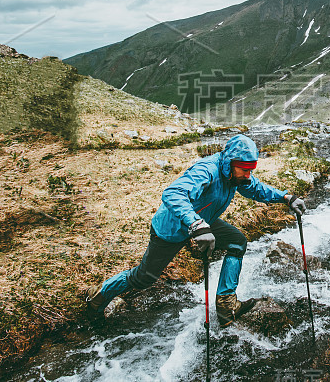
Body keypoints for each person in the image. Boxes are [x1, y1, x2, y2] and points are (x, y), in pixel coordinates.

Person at [85, 134, 306, 326]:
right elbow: (173, 194)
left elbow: (256, 188)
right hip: (171, 229)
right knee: (144, 278)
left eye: (251, 170)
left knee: (237, 241)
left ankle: (225, 304)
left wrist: (286, 198)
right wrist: (197, 225)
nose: (248, 175)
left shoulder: (234, 175)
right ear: (231, 162)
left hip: (202, 222)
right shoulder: (207, 171)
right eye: (245, 170)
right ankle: (99, 294)